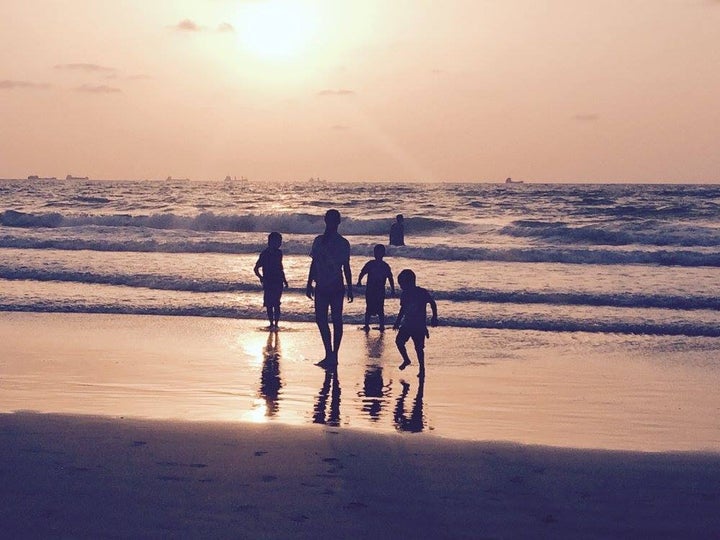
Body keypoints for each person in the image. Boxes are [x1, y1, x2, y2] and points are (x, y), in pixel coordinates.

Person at [306, 209, 353, 367]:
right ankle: (330, 354)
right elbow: (314, 263)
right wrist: (309, 282)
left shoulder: (342, 243)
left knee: (333, 320)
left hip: (334, 285)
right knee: (323, 320)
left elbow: (346, 267)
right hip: (324, 285)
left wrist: (350, 287)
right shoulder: (319, 241)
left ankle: (332, 355)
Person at [393, 269, 438, 376]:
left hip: (419, 326)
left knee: (419, 348)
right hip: (407, 324)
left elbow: (432, 303)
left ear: (410, 282)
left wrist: (434, 317)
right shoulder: (404, 294)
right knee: (399, 342)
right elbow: (402, 309)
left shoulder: (422, 292)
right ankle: (406, 359)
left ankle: (422, 369)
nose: (401, 287)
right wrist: (397, 322)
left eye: (402, 284)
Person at [254, 231, 289, 329]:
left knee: (277, 303)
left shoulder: (279, 253)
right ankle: (271, 323)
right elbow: (256, 268)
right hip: (268, 282)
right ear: (270, 242)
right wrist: (261, 278)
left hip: (278, 281)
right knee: (269, 304)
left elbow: (280, 268)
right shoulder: (264, 254)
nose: (279, 244)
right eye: (278, 241)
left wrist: (284, 280)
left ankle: (276, 324)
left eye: (280, 242)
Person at [356, 244, 395, 332]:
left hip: (373, 289)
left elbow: (362, 273)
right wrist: (392, 289)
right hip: (376, 290)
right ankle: (380, 326)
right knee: (377, 308)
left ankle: (368, 325)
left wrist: (359, 281)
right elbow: (390, 278)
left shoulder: (372, 264)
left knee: (372, 308)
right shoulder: (384, 265)